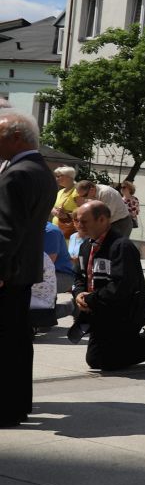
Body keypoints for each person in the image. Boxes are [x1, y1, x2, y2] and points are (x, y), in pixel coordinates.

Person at [70, 200, 145, 372]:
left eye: (84, 221)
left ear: (102, 220)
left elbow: (121, 286)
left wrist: (90, 299)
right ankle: (142, 342)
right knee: (95, 360)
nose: (79, 225)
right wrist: (79, 294)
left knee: (106, 361)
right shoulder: (86, 246)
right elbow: (79, 276)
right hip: (100, 309)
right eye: (77, 221)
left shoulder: (121, 247)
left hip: (124, 312)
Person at [0, 110, 56, 426]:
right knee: (17, 344)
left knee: (6, 346)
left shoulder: (16, 174)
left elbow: (7, 232)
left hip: (8, 274)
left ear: (17, 138)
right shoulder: (40, 170)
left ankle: (6, 409)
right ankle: (16, 406)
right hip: (22, 272)